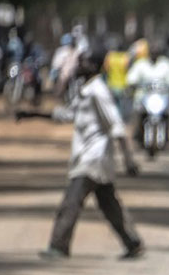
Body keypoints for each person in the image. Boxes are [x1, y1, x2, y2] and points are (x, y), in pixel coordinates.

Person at [16, 46, 144, 260]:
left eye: (83, 62)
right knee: (108, 203)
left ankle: (59, 245)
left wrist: (129, 160)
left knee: (71, 202)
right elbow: (67, 114)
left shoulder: (98, 91)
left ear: (94, 66)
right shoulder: (85, 91)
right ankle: (132, 242)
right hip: (91, 159)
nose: (78, 65)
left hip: (93, 158)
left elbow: (117, 125)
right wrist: (32, 115)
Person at [125, 41, 169, 144]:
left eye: (156, 52)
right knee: (137, 112)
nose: (154, 55)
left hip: (161, 96)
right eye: (152, 52)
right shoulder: (141, 64)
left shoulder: (166, 64)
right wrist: (132, 85)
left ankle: (167, 133)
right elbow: (131, 78)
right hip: (144, 97)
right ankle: (137, 132)